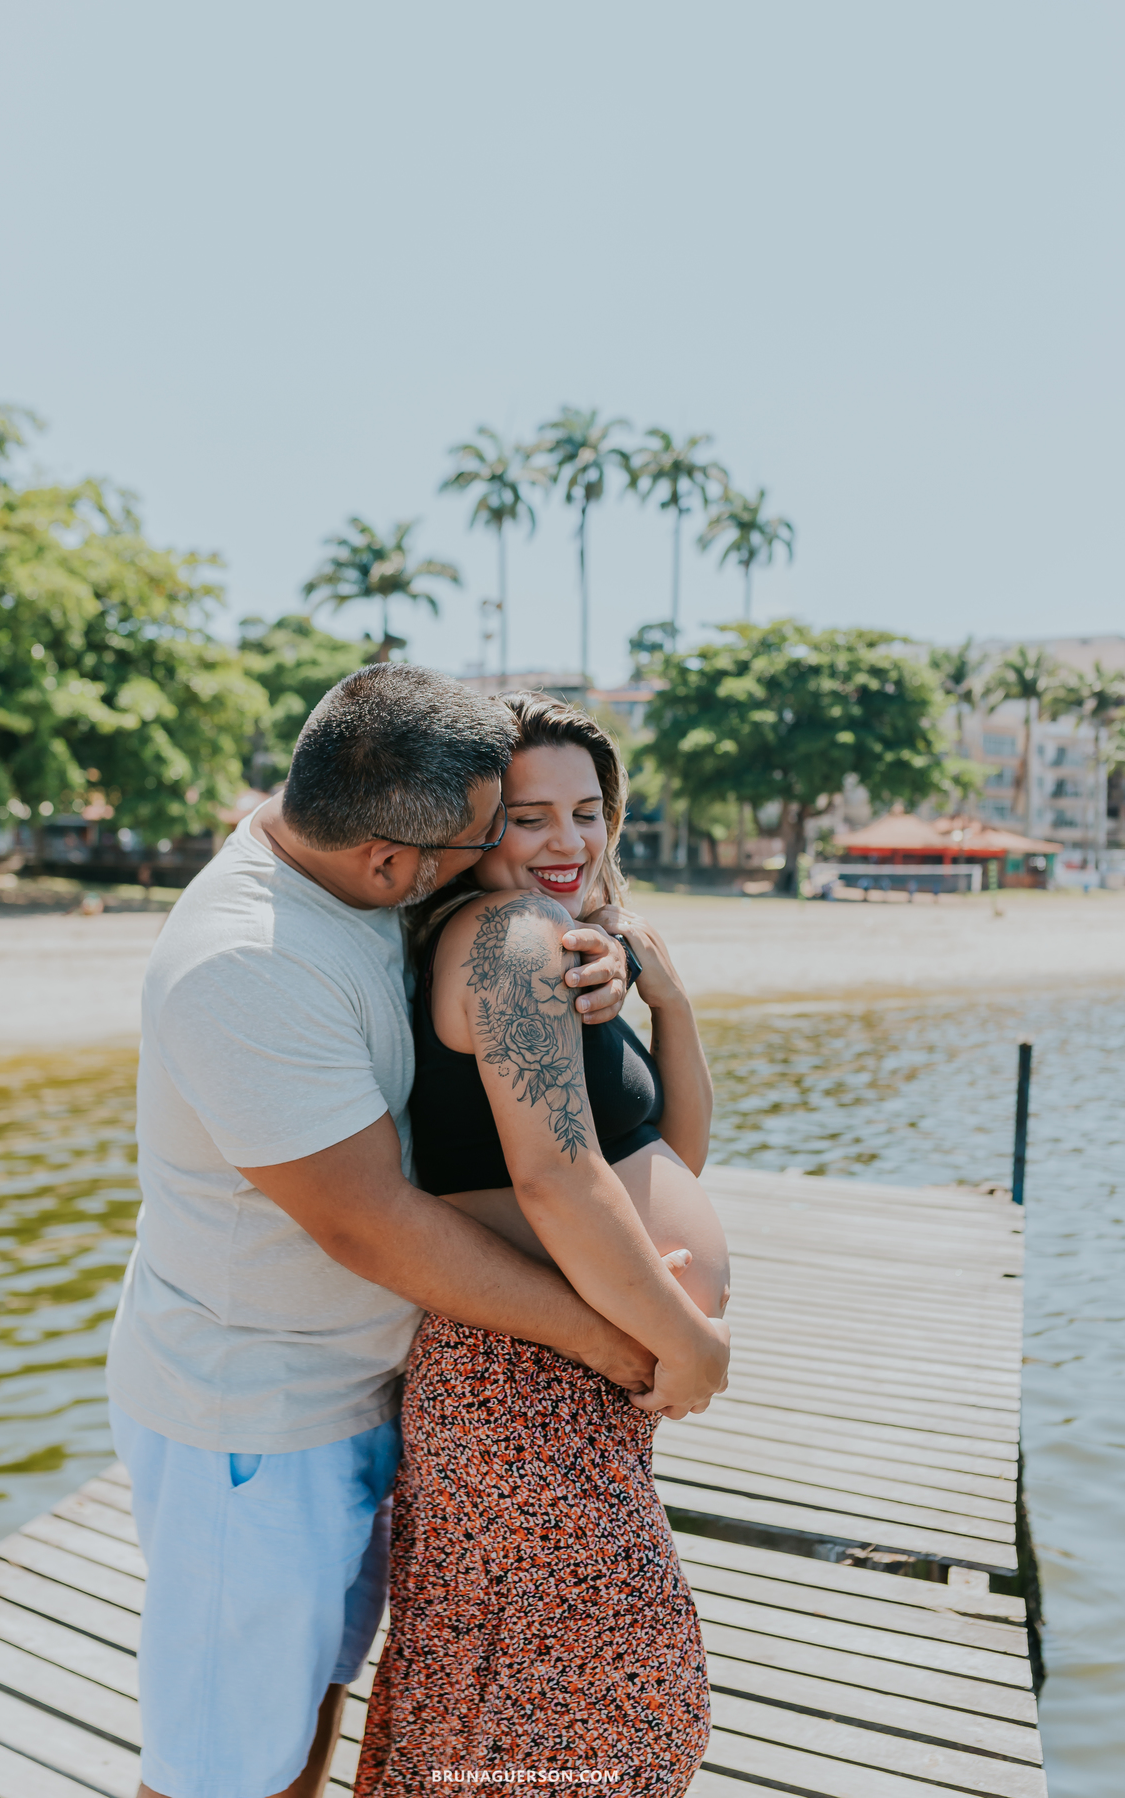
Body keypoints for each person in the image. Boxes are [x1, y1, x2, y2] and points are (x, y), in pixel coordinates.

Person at [106, 664, 730, 1798]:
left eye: (580, 814)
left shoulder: (359, 887)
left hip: (359, 1385)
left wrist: (632, 969)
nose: (543, 843)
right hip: (255, 1415)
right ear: (395, 859)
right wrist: (633, 1337)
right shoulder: (251, 958)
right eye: (497, 829)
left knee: (314, 1717)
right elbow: (372, 1221)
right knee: (219, 1763)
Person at [356, 693, 730, 1795]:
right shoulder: (507, 941)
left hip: (562, 1379)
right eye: (528, 817)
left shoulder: (566, 944)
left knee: (509, 1719)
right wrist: (690, 1344)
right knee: (619, 1711)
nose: (567, 841)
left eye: (587, 810)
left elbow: (671, 1155)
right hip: (522, 1380)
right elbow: (554, 1179)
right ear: (473, 827)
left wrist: (669, 1000)